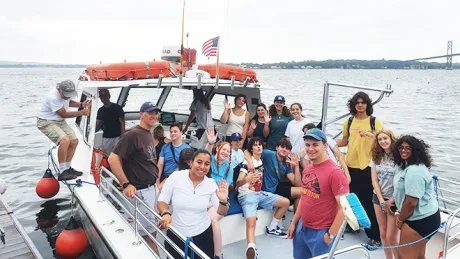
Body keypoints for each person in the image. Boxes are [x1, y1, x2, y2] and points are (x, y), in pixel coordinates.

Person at [108, 101, 161, 254]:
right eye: (150, 112)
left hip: (152, 189)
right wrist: (125, 184)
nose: (154, 116)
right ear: (141, 114)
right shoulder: (132, 135)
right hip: (141, 192)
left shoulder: (148, 134)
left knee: (151, 228)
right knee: (147, 234)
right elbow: (113, 159)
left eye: (155, 113)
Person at [287, 128, 350, 258]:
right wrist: (293, 223)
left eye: (315, 145)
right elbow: (304, 198)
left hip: (322, 232)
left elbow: (344, 208)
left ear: (325, 146)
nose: (311, 149)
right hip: (302, 227)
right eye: (308, 145)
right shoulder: (308, 169)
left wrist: (330, 235)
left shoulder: (335, 173)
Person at [157, 149, 230, 259]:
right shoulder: (176, 177)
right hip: (177, 233)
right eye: (199, 162)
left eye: (207, 164)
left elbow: (221, 211)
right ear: (191, 163)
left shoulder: (210, 183)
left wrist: (223, 201)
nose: (202, 167)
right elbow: (162, 201)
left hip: (203, 235)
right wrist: (165, 213)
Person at [335, 91, 383, 246]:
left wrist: (369, 135)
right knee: (350, 199)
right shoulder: (349, 122)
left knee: (369, 202)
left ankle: (374, 235)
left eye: (363, 102)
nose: (360, 105)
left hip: (368, 168)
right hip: (350, 167)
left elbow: (383, 142)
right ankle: (353, 226)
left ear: (368, 105)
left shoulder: (374, 122)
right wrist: (327, 142)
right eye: (357, 102)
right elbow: (344, 141)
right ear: (353, 105)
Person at [236, 137, 290, 259]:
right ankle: (251, 247)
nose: (259, 146)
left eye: (260, 144)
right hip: (247, 196)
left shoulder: (261, 161)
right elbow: (238, 182)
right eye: (255, 145)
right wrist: (247, 179)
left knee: (285, 202)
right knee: (251, 222)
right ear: (251, 148)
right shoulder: (246, 164)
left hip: (260, 194)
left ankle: (272, 228)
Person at [393, 135, 440, 259]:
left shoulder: (415, 171)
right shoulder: (409, 165)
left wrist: (400, 219)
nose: (403, 151)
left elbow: (411, 203)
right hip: (426, 216)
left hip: (420, 220)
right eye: (401, 148)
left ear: (416, 150)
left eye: (408, 148)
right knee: (419, 255)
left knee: (403, 256)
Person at [37, 80, 90, 180]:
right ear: (59, 90)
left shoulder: (64, 96)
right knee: (65, 140)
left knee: (74, 141)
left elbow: (68, 102)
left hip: (59, 121)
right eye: (66, 94)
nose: (67, 96)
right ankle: (62, 172)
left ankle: (67, 168)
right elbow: (64, 114)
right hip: (46, 122)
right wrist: (82, 112)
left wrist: (81, 104)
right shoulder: (53, 97)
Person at [244, 138, 301, 212]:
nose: (284, 149)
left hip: (276, 188)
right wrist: (250, 161)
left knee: (302, 192)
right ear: (277, 148)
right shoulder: (269, 154)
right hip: (265, 190)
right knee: (302, 192)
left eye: (287, 149)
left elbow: (297, 184)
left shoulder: (287, 163)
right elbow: (246, 151)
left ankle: (295, 222)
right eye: (282, 147)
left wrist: (296, 166)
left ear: (289, 152)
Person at [370, 128, 399, 259]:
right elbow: (374, 180)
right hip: (378, 197)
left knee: (391, 237)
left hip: (394, 199)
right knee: (382, 233)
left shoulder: (399, 157)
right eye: (380, 139)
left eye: (385, 138)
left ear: (391, 139)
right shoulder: (376, 157)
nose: (383, 141)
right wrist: (381, 200)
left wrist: (391, 200)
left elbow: (401, 183)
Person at [204, 134, 234, 259]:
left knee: (213, 220)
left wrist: (210, 204)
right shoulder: (209, 160)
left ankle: (218, 255)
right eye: (224, 149)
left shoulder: (229, 168)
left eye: (228, 151)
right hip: (204, 196)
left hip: (219, 200)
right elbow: (202, 156)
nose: (226, 152)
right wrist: (210, 143)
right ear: (218, 149)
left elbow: (224, 191)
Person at [156, 123, 191, 190]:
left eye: (175, 131)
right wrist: (157, 181)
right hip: (165, 178)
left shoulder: (187, 148)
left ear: (181, 132)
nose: (172, 133)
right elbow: (160, 164)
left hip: (180, 179)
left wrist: (168, 179)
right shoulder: (165, 147)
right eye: (171, 132)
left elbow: (187, 167)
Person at [96, 89, 125, 157]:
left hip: (117, 136)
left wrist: (123, 137)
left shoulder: (117, 108)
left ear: (109, 96)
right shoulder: (100, 111)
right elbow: (97, 124)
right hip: (106, 137)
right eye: (102, 97)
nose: (104, 98)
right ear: (100, 98)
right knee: (106, 156)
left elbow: (122, 122)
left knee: (118, 155)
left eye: (105, 96)